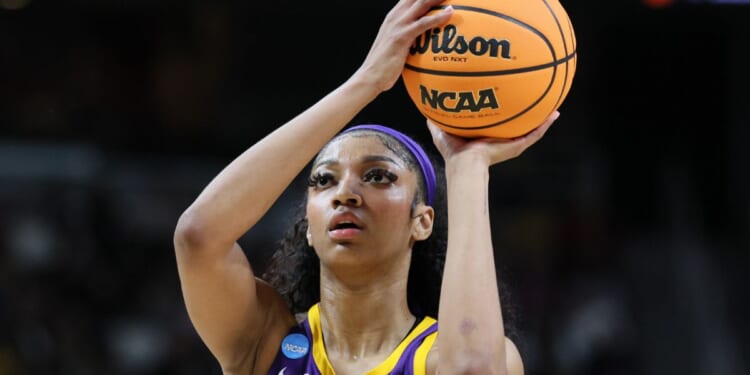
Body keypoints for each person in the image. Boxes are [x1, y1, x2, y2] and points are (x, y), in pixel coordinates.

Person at [173, 0, 559, 374]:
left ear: (422, 222)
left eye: (378, 176)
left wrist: (468, 166)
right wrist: (367, 80)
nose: (345, 193)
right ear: (308, 225)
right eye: (323, 180)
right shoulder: (266, 342)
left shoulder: (439, 358)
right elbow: (198, 236)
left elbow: (474, 369)